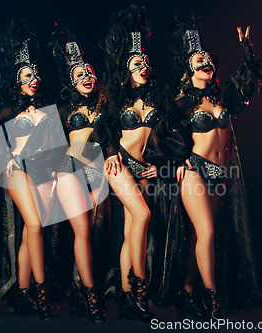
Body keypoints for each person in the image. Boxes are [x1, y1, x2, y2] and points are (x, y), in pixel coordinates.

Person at [167, 15, 262, 320]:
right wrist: (178, 157)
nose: (206, 62)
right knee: (207, 231)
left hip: (221, 174)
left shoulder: (222, 96)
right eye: (199, 59)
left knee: (202, 235)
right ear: (189, 68)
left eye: (208, 59)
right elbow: (162, 135)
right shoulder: (182, 102)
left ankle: (187, 291)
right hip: (195, 172)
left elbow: (255, 81)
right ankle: (211, 297)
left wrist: (247, 50)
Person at [0, 18, 61, 321]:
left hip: (43, 170)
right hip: (16, 169)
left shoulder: (46, 107)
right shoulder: (6, 109)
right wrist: (4, 158)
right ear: (17, 80)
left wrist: (56, 172)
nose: (34, 79)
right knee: (33, 225)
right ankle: (40, 293)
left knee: (35, 229)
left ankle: (23, 290)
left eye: (36, 74)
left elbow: (56, 145)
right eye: (28, 75)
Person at [102, 5, 169, 321]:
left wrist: (163, 161)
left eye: (144, 61)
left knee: (133, 228)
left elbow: (172, 133)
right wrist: (110, 149)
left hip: (146, 167)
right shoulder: (116, 95)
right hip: (120, 165)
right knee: (142, 215)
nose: (142, 66)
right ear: (125, 69)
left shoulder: (158, 96)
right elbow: (101, 125)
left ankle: (130, 298)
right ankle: (139, 293)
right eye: (135, 63)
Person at [50, 25, 108, 323]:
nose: (86, 77)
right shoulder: (62, 110)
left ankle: (84, 290)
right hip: (69, 170)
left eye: (89, 72)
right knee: (82, 231)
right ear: (69, 82)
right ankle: (90, 296)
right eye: (78, 75)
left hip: (100, 173)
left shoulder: (107, 104)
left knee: (98, 234)